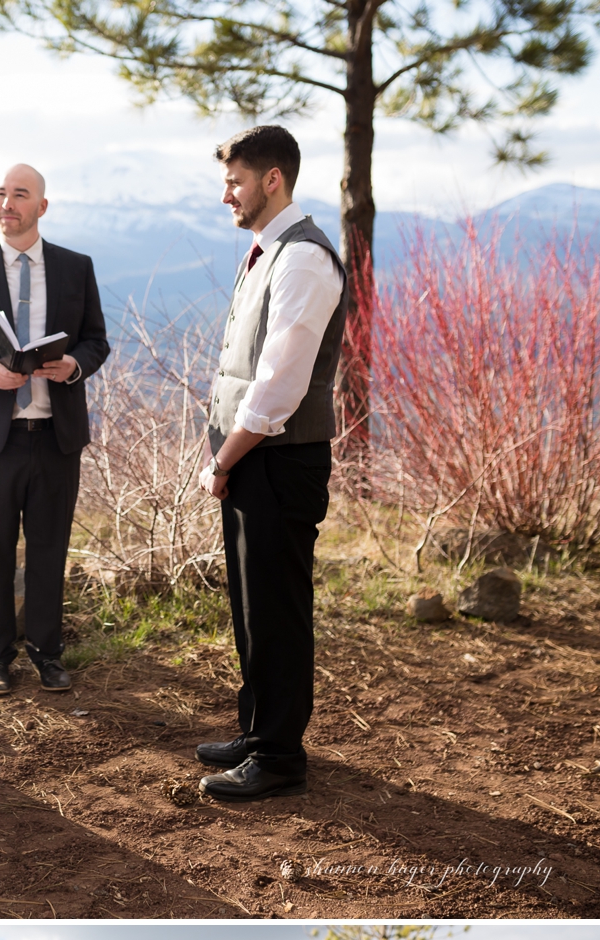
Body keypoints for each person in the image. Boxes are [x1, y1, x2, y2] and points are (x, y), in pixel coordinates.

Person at [196, 125, 347, 802]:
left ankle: (281, 756)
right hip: (257, 459)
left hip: (279, 461)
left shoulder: (304, 259)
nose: (226, 193)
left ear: (273, 180)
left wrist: (225, 456)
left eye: (235, 181)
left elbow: (280, 382)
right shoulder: (271, 250)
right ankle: (259, 731)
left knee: (279, 608)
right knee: (253, 605)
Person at [0, 164, 110, 696]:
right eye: (2, 194)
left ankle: (48, 655)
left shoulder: (76, 267)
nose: (8, 203)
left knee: (50, 549)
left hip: (56, 434)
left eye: (20, 195)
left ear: (41, 207)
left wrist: (73, 365)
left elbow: (96, 340)